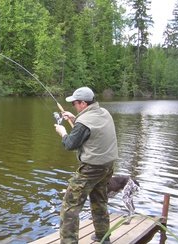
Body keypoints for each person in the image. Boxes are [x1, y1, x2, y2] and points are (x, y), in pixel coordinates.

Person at [54, 87, 118, 244]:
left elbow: (70, 144)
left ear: (83, 103)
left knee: (70, 207)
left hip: (91, 169)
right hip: (107, 167)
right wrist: (75, 118)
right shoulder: (104, 113)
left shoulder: (84, 122)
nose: (74, 105)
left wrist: (62, 132)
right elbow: (91, 129)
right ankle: (103, 237)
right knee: (99, 201)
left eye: (75, 103)